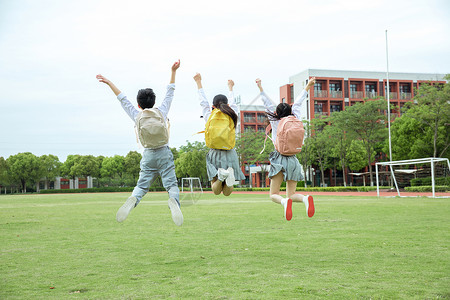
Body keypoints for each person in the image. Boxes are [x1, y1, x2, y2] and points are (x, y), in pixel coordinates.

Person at [96, 60, 183, 226]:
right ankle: (173, 201)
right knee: (171, 185)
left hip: (148, 154)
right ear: (154, 101)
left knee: (141, 187)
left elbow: (122, 99)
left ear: (138, 104)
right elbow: (170, 92)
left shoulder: (137, 115)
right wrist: (173, 71)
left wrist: (109, 83)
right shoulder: (162, 111)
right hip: (164, 152)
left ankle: (134, 198)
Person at [256, 77, 316, 221]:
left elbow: (267, 103)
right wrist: (308, 86)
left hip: (279, 159)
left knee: (274, 194)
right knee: (292, 193)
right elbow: (299, 102)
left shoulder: (276, 121)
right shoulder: (295, 116)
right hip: (294, 159)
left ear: (276, 113)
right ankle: (305, 199)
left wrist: (260, 87)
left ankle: (284, 202)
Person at [193, 73, 245, 196]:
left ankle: (221, 177)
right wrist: (230, 88)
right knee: (227, 192)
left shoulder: (209, 115)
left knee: (215, 190)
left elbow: (203, 102)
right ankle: (227, 175)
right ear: (227, 105)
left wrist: (198, 82)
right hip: (230, 153)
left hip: (214, 153)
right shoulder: (232, 114)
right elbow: (233, 103)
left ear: (213, 106)